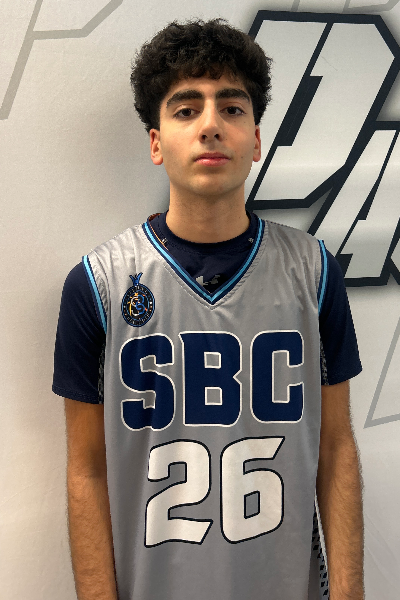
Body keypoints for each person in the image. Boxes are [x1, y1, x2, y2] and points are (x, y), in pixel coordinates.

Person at [52, 18, 364, 600]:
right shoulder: (98, 284)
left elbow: (336, 447)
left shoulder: (315, 272)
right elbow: (86, 469)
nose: (211, 125)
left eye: (232, 108)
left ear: (256, 139)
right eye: (187, 108)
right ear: (155, 142)